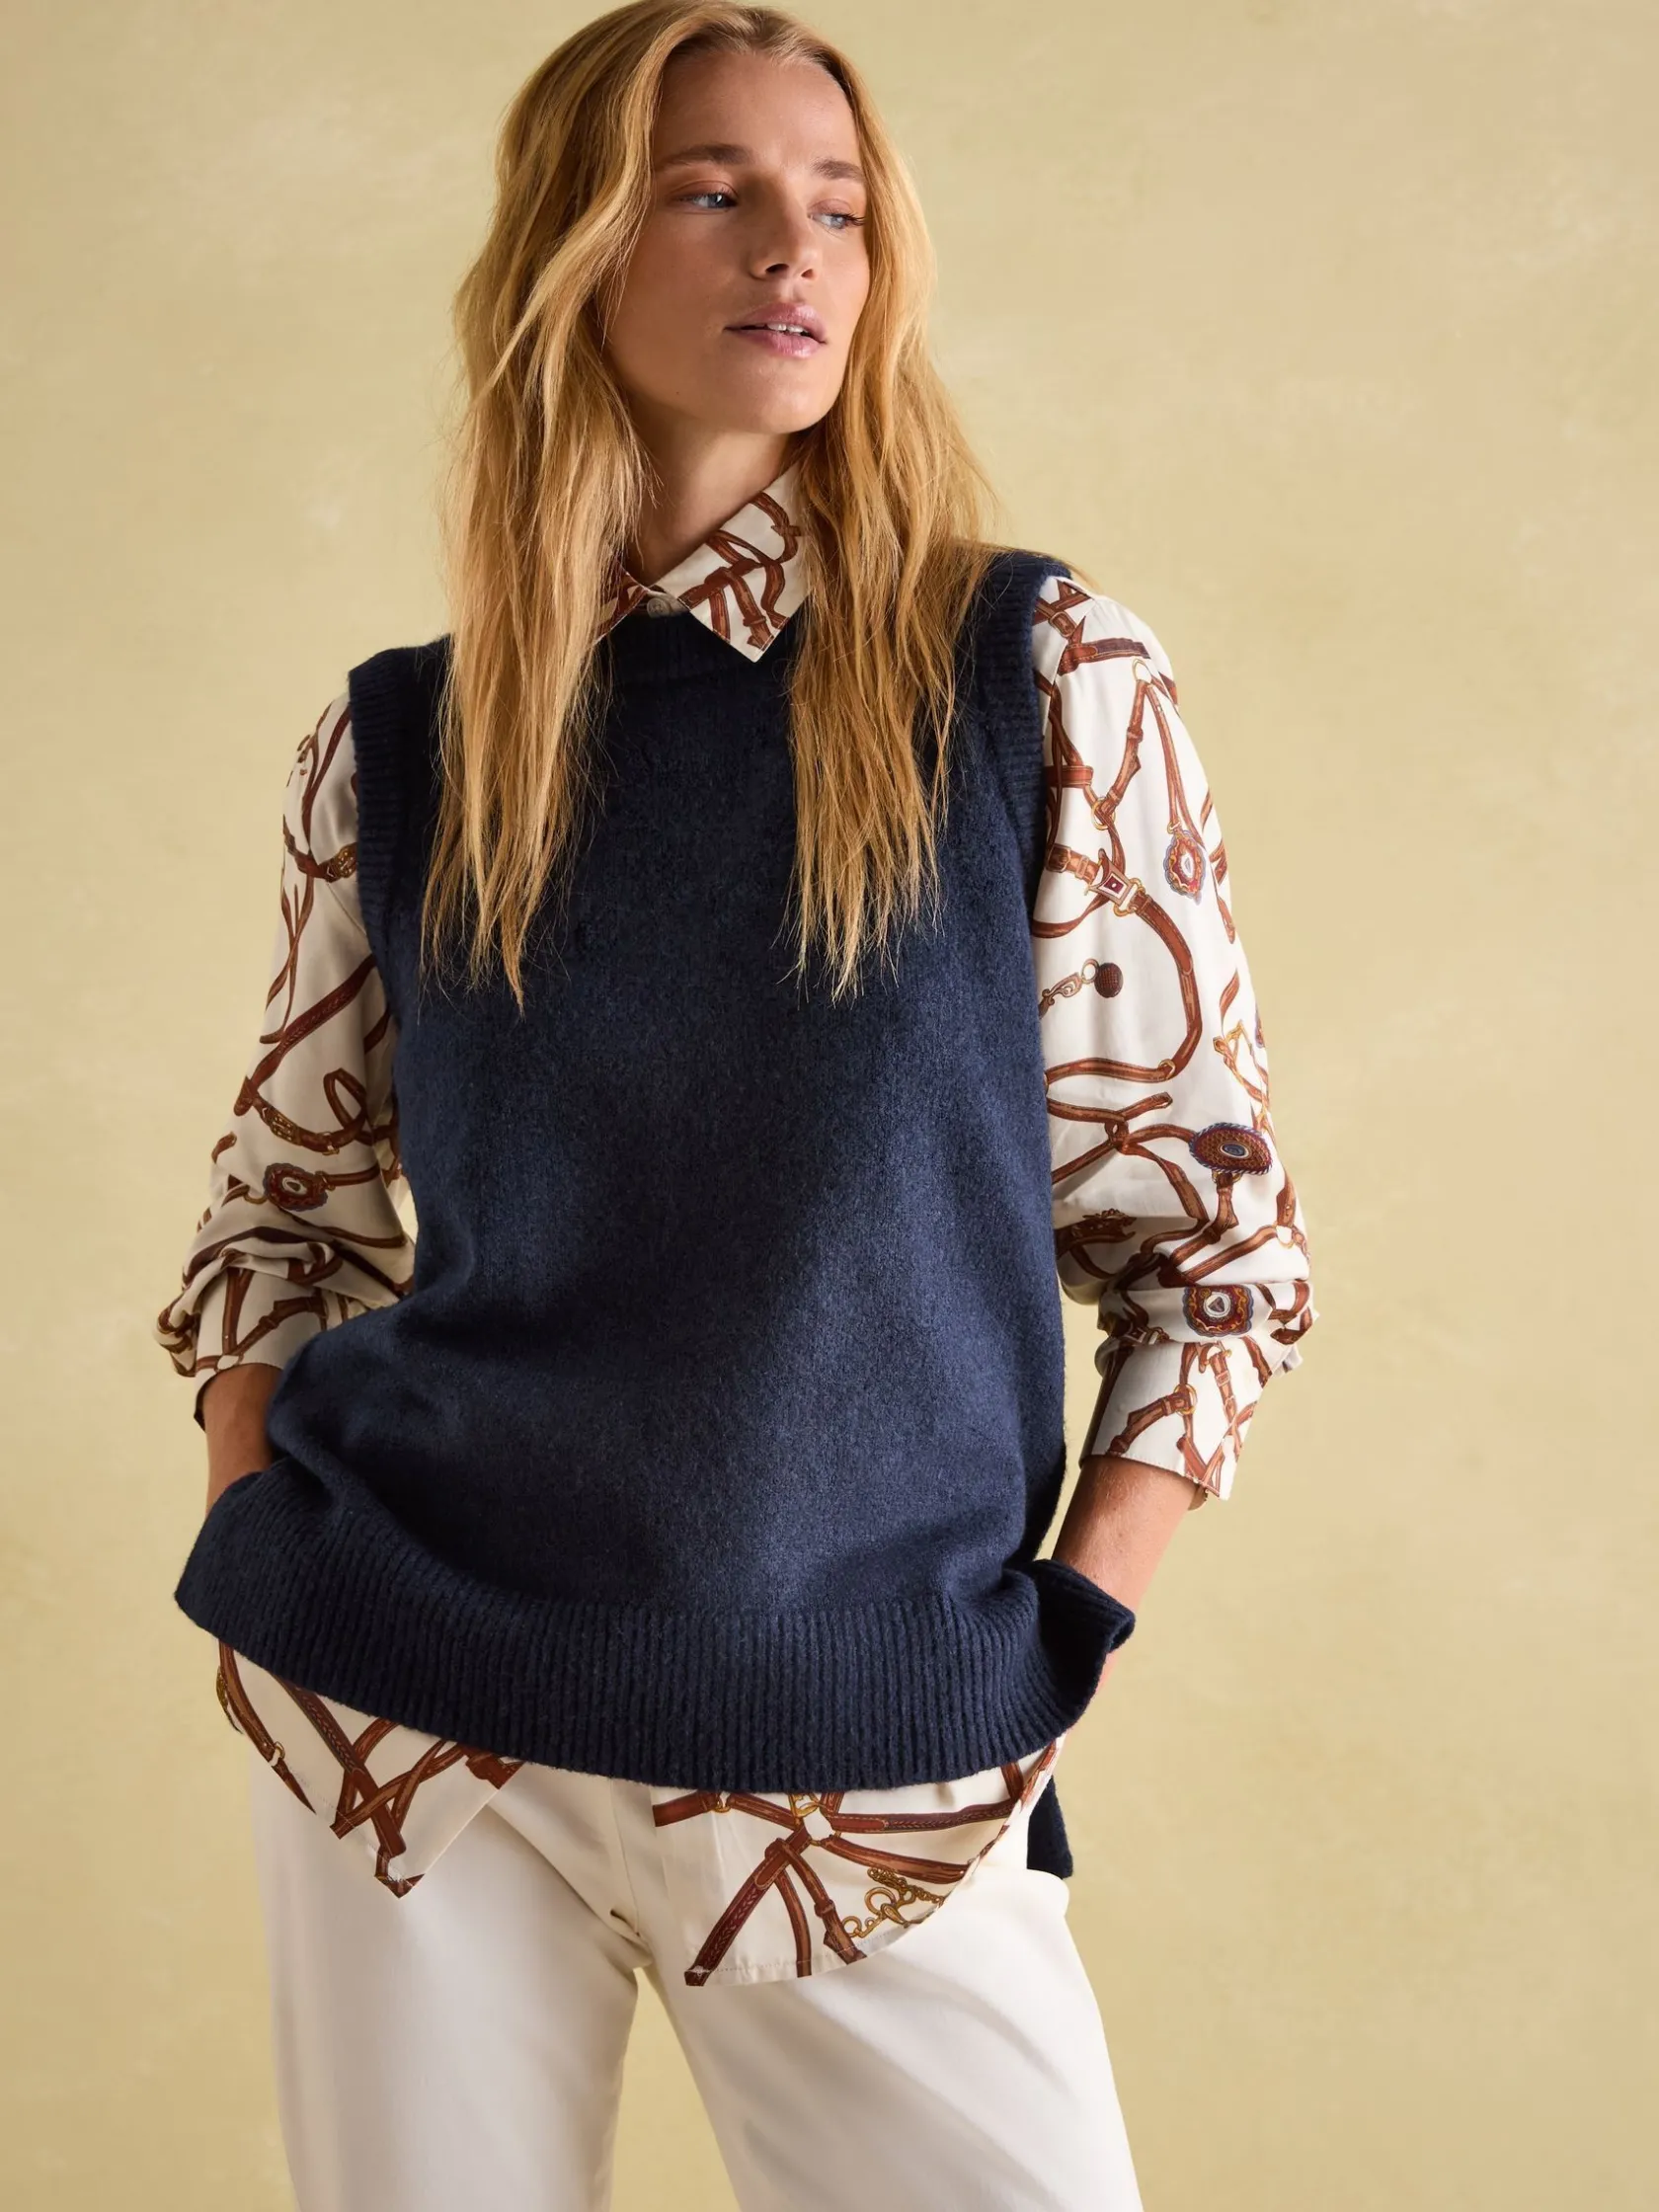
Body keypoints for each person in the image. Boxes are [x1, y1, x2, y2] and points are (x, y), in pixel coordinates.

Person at [154, 5, 1317, 2206]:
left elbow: (1217, 1249)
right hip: (409, 1716)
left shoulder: (1035, 678)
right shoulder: (405, 742)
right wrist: (260, 1513)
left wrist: (1059, 1634)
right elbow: (276, 1222)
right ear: (577, 251)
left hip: (862, 1749)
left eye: (843, 206)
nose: (798, 250)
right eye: (716, 191)